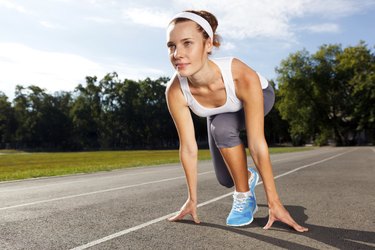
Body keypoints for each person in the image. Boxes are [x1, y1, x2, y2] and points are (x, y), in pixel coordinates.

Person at [165, 10, 308, 232]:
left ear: (208, 44)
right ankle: (247, 176)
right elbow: (189, 148)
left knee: (221, 127)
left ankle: (244, 197)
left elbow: (257, 144)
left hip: (257, 95)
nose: (177, 54)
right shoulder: (175, 91)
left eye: (187, 44)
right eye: (172, 46)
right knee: (225, 178)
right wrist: (192, 199)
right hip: (220, 110)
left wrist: (274, 202)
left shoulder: (240, 74)